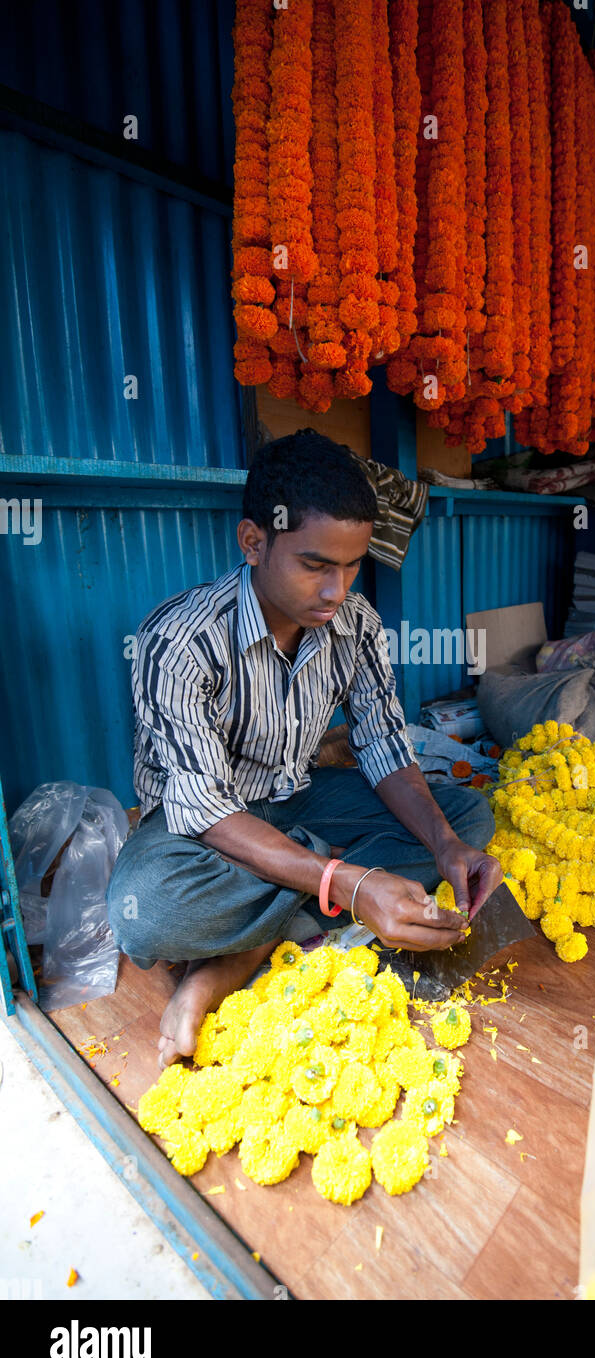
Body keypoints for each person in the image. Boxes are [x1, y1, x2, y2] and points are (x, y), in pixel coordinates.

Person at [107, 429, 500, 1067]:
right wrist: (348, 880)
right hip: (204, 831)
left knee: (465, 820)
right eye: (315, 564)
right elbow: (203, 808)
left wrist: (444, 844)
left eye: (351, 565)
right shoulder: (178, 640)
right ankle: (319, 897)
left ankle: (253, 938)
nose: (335, 590)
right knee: (144, 911)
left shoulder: (356, 626)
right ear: (254, 541)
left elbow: (382, 746)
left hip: (301, 801)